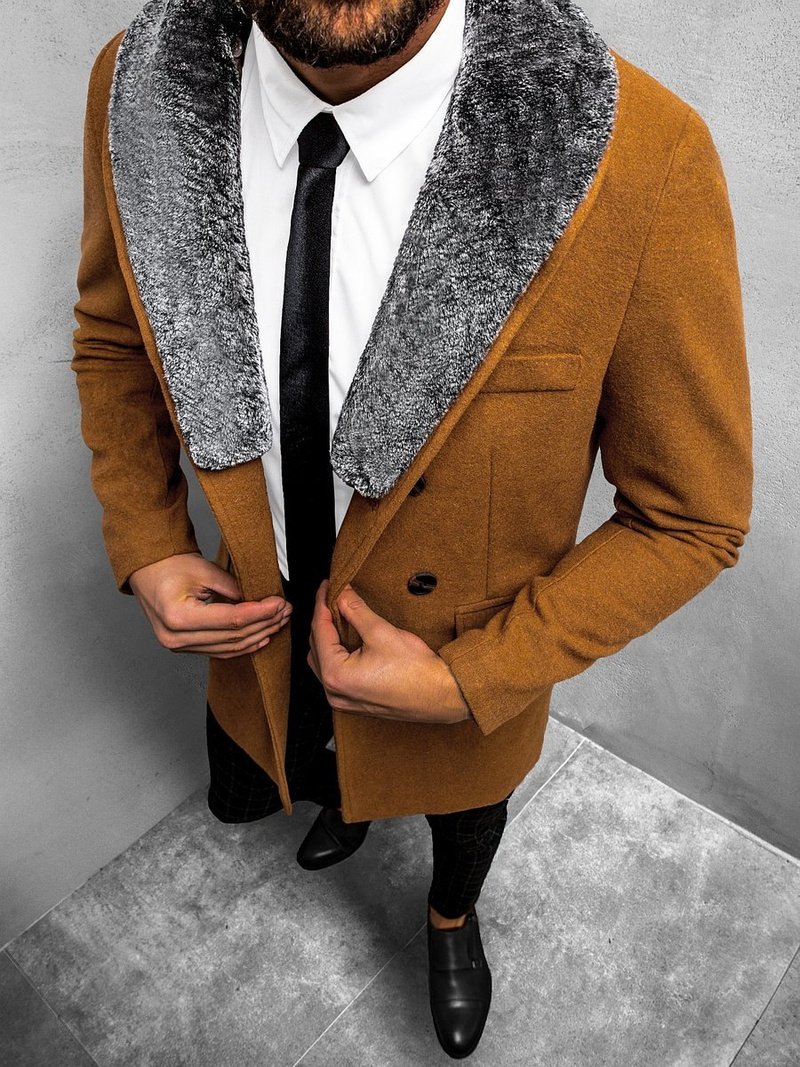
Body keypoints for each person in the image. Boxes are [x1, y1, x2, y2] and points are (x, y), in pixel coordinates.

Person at [72, 0, 753, 1057]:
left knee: (463, 822)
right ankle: (341, 803)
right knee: (273, 774)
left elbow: (689, 514)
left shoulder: (640, 152)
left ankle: (449, 917)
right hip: (255, 625)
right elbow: (117, 336)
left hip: (460, 664)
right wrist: (150, 537)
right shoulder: (139, 90)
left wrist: (471, 679)